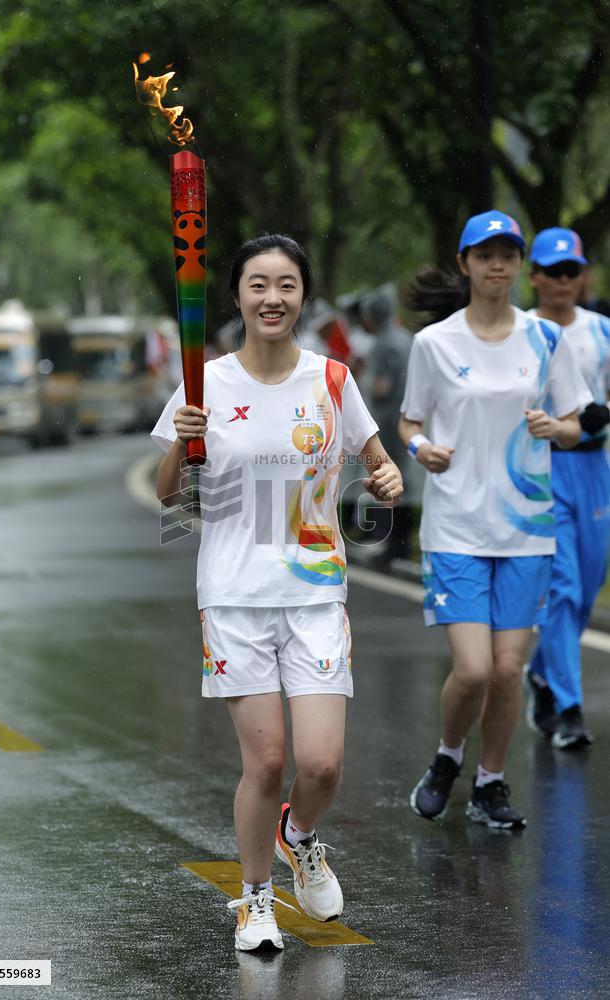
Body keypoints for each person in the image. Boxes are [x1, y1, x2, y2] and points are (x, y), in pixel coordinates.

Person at [151, 234, 403, 952]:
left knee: (321, 763)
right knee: (264, 762)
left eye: (286, 285)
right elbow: (173, 499)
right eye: (257, 284)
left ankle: (300, 835)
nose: (272, 297)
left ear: (303, 296)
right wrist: (181, 441)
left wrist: (385, 479)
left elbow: (378, 463)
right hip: (232, 596)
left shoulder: (331, 379)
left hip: (316, 590)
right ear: (235, 296)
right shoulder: (205, 384)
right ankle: (255, 899)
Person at [399, 210, 591, 830]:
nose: (499, 264)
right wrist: (420, 449)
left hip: (527, 525)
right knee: (474, 668)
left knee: (508, 669)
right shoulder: (435, 344)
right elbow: (409, 422)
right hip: (456, 524)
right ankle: (449, 756)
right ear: (466, 264)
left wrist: (555, 428)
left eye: (509, 254)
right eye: (486, 255)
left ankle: (491, 782)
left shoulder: (544, 339)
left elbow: (575, 420)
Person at [522, 228, 610, 750]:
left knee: (587, 586)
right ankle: (570, 707)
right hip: (539, 469)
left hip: (593, 468)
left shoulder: (601, 331)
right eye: (551, 272)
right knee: (563, 588)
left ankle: (541, 671)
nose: (561, 282)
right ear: (533, 276)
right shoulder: (520, 331)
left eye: (570, 271)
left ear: (584, 275)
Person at [360, 285, 419, 565]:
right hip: (405, 416)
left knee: (384, 478)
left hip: (387, 420)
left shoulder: (384, 342)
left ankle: (387, 541)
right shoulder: (405, 337)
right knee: (402, 478)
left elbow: (382, 387)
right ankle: (402, 544)